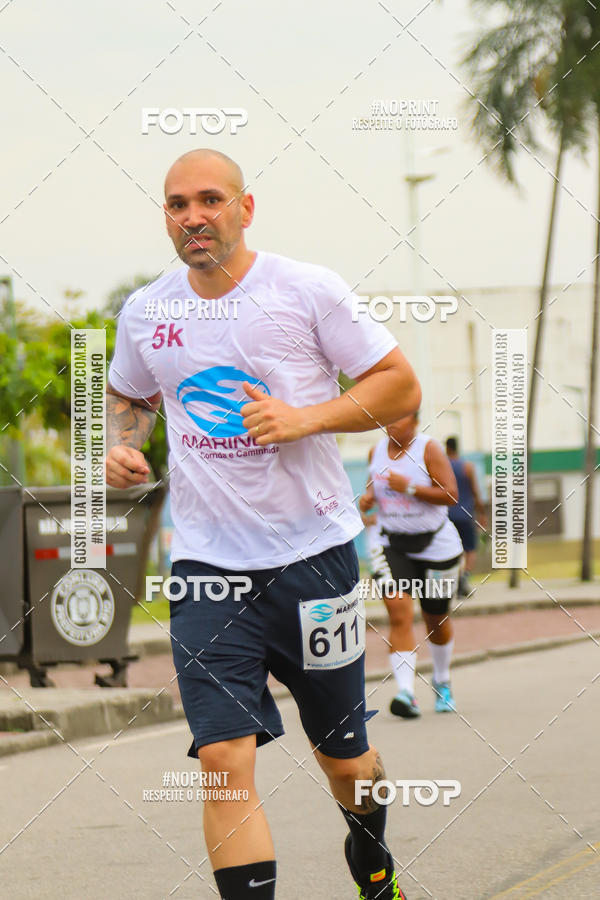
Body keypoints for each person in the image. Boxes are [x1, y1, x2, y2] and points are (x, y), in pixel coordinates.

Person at [105, 149, 420, 900]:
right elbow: (131, 398)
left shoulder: (306, 290)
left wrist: (305, 416)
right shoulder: (148, 312)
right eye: (177, 205)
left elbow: (400, 385)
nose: (194, 217)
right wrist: (121, 444)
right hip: (207, 568)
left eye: (210, 200)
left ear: (245, 210)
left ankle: (372, 857)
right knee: (223, 759)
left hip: (313, 560)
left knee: (346, 761)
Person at [359, 413, 462, 719]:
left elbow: (451, 495)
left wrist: (411, 488)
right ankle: (406, 693)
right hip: (392, 545)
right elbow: (372, 489)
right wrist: (367, 499)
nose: (390, 423)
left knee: (436, 619)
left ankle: (442, 681)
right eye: (388, 418)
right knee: (398, 610)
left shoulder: (428, 449)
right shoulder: (375, 451)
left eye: (398, 418)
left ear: (415, 420)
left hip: (436, 547)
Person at [445, 436, 487, 597]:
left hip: (447, 516)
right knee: (470, 549)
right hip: (465, 515)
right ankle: (465, 577)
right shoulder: (467, 467)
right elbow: (476, 492)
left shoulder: (443, 467)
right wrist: (482, 514)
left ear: (447, 448)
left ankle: (456, 579)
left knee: (453, 550)